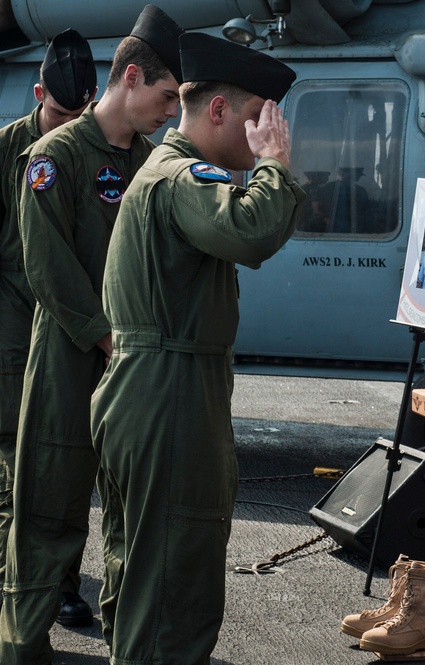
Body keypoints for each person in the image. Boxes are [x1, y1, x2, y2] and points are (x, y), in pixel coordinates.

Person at [90, 32, 302, 663]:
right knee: (173, 593)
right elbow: (253, 229)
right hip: (170, 401)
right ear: (218, 112)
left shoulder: (163, 172)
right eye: (259, 118)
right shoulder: (183, 177)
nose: (269, 133)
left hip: (152, 392)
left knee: (140, 580)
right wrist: (275, 166)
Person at [0, 6, 184, 662]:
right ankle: (21, 644)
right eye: (165, 97)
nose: (170, 113)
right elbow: (45, 265)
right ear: (130, 77)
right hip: (66, 357)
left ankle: (130, 645)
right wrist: (108, 337)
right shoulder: (51, 158)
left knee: (132, 516)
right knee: (45, 507)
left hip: (135, 366)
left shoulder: (157, 167)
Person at [0, 27, 98, 632]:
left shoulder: (94, 148)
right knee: (17, 469)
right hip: (13, 334)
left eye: (79, 113)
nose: (69, 125)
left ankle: (59, 583)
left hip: (71, 332)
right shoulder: (6, 152)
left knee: (70, 466)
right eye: (60, 113)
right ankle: (25, 586)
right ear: (38, 95)